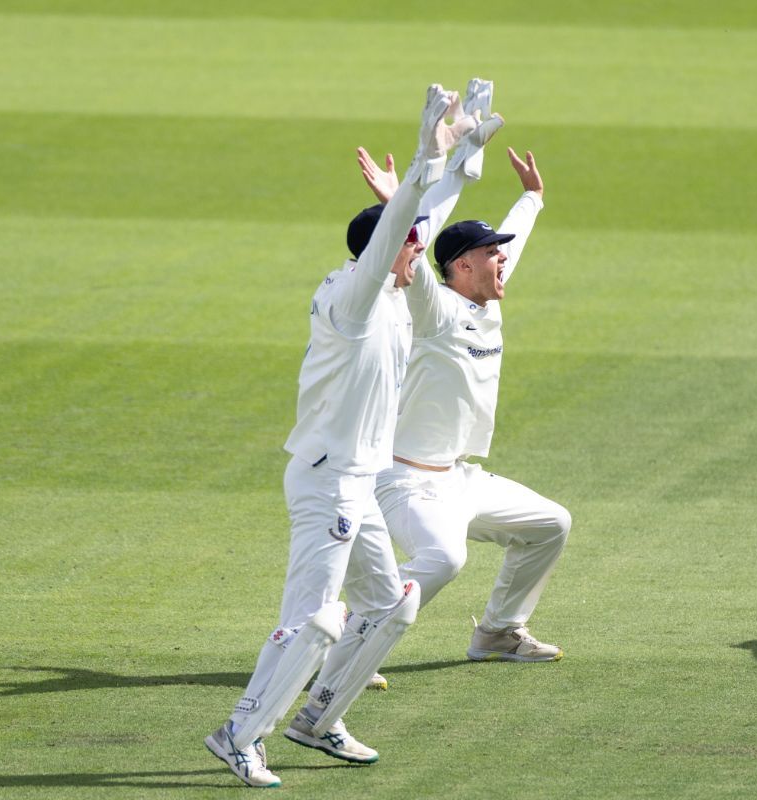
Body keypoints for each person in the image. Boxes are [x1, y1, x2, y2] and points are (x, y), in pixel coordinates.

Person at [203, 84, 501, 789]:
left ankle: (320, 716)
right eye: (408, 247)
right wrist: (423, 158)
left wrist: (456, 164)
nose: (417, 255)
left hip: (360, 479)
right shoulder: (354, 297)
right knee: (317, 622)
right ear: (380, 252)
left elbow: (419, 221)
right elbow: (397, 232)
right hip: (327, 478)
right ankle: (239, 733)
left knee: (392, 600)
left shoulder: (396, 293)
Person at [355, 125, 571, 667]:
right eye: (491, 253)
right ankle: (347, 645)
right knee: (444, 558)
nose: (504, 260)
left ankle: (498, 631)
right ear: (461, 266)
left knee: (551, 524)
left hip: (456, 476)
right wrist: (399, 203)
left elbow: (514, 241)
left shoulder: (486, 298)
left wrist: (532, 197)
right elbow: (416, 258)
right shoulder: (433, 311)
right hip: (404, 480)